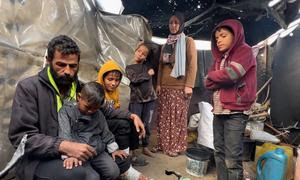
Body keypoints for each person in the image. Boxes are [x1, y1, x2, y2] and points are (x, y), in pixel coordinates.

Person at [8, 35, 145, 180]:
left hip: (76, 145)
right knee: (85, 175)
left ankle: (122, 168)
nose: (67, 71)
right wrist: (63, 145)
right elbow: (22, 138)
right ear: (48, 61)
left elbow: (106, 109)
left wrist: (132, 116)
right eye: (61, 64)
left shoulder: (78, 87)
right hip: (40, 158)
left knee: (112, 162)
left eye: (72, 66)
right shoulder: (29, 88)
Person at [204, 19, 257, 180]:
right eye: (216, 37)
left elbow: (233, 74)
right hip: (219, 111)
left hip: (236, 111)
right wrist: (218, 76)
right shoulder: (219, 59)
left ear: (235, 35)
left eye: (223, 35)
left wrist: (214, 76)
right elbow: (207, 83)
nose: (218, 39)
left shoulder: (245, 51)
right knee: (219, 152)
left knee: (232, 158)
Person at [58, 81, 128, 179]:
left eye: (95, 108)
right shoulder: (66, 112)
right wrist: (69, 155)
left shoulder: (98, 114)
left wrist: (114, 149)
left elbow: (105, 132)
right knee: (92, 178)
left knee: (113, 172)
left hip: (96, 151)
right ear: (79, 97)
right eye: (87, 107)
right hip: (77, 153)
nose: (90, 111)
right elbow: (64, 134)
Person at [153, 11, 197, 157]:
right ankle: (163, 144)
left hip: (180, 87)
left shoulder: (188, 41)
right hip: (165, 87)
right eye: (171, 22)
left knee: (177, 119)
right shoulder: (167, 43)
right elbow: (160, 66)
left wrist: (189, 85)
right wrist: (158, 84)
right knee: (164, 118)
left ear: (182, 24)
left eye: (176, 22)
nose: (173, 25)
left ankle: (175, 147)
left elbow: (192, 64)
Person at [97, 60, 148, 178]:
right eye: (110, 79)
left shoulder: (114, 92)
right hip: (98, 123)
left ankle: (131, 155)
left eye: (116, 80)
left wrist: (133, 116)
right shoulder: (98, 90)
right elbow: (110, 112)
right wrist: (131, 115)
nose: (114, 83)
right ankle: (124, 167)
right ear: (102, 77)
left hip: (108, 119)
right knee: (123, 123)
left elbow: (114, 111)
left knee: (131, 121)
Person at [125, 42, 157, 158]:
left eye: (143, 54)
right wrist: (148, 75)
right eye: (139, 51)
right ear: (135, 51)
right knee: (135, 125)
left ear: (146, 57)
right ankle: (133, 149)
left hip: (150, 100)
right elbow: (134, 79)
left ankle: (145, 147)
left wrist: (144, 42)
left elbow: (155, 50)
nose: (140, 55)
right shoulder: (129, 68)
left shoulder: (148, 65)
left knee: (147, 124)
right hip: (136, 100)